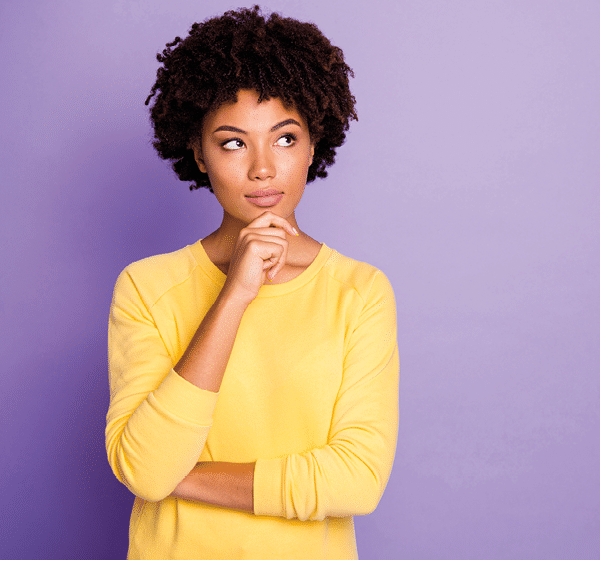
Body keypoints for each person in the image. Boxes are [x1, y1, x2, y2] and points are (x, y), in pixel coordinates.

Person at [105, 5, 398, 559]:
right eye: (233, 142)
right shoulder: (147, 287)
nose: (263, 167)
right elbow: (146, 468)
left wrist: (181, 480)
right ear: (198, 152)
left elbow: (357, 479)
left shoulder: (359, 292)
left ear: (314, 146)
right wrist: (235, 296)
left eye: (285, 138)